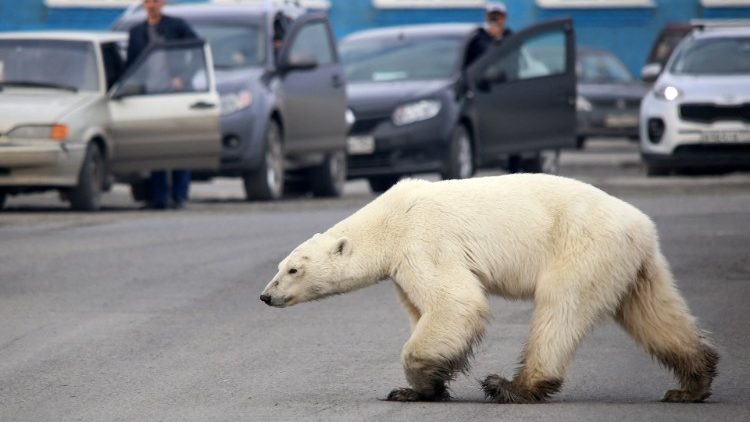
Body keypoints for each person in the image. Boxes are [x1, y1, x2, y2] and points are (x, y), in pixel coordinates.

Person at [126, 0, 198, 210]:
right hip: (150, 96)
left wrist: (183, 77)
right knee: (156, 147)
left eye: (155, 1)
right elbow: (131, 65)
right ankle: (158, 197)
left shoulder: (177, 26)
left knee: (179, 145)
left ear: (163, 3)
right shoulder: (137, 32)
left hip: (176, 95)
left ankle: (180, 195)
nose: (151, 5)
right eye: (148, 1)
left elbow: (196, 49)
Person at [465, 1, 514, 68]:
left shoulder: (511, 37)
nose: (495, 21)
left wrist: (498, 38)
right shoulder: (478, 39)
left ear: (505, 18)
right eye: (492, 17)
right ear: (486, 18)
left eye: (498, 17)